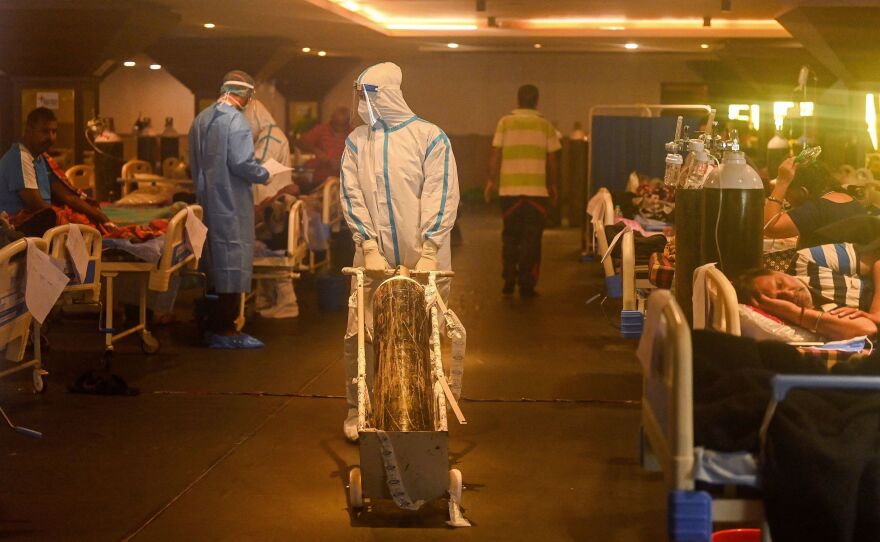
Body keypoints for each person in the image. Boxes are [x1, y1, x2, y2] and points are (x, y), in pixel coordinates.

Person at [340, 62, 460, 442]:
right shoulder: (357, 141)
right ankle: (359, 408)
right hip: (371, 256)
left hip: (425, 253)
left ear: (386, 94)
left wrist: (430, 248)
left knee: (429, 333)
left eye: (367, 95)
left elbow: (440, 193)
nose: (362, 104)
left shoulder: (430, 137)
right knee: (361, 332)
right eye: (359, 96)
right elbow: (351, 194)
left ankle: (428, 406)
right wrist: (368, 244)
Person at [189, 70, 269, 348]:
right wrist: (264, 173)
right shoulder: (237, 122)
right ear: (247, 95)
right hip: (232, 205)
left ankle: (209, 325)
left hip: (206, 203)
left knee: (211, 263)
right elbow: (241, 164)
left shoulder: (201, 119)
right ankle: (226, 330)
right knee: (233, 262)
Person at [484, 84, 561, 297]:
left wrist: (491, 181)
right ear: (536, 101)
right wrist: (553, 185)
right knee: (532, 239)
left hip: (509, 192)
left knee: (510, 236)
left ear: (517, 100)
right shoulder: (545, 125)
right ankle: (527, 284)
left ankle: (508, 280)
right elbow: (552, 159)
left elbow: (495, 153)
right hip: (537, 193)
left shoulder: (505, 122)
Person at [735, 242, 880, 340]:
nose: (790, 293)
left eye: (780, 284)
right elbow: (867, 329)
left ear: (778, 272)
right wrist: (798, 314)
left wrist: (876, 312)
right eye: (779, 298)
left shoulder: (805, 261)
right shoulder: (813, 320)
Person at [0, 107, 110, 236]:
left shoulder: (41, 158)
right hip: (19, 225)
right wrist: (69, 220)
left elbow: (68, 197)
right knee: (80, 226)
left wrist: (100, 216)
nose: (51, 137)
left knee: (92, 220)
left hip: (46, 219)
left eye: (54, 131)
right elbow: (37, 206)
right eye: (45, 131)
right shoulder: (20, 157)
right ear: (28, 130)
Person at [243, 99, 300, 319]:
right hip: (272, 206)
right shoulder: (271, 136)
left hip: (270, 207)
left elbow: (255, 168)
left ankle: (286, 303)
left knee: (273, 252)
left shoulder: (270, 138)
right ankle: (271, 299)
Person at [764, 158, 866, 248]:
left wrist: (782, 183)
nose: (785, 199)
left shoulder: (817, 208)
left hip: (821, 269)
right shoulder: (852, 202)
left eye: (786, 193)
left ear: (802, 192)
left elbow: (768, 227)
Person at [295, 106, 351, 191]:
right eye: (336, 124)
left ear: (347, 123)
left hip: (344, 184)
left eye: (342, 125)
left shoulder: (354, 134)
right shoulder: (321, 129)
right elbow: (300, 142)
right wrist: (317, 151)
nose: (339, 129)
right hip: (320, 182)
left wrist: (343, 163)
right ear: (332, 119)